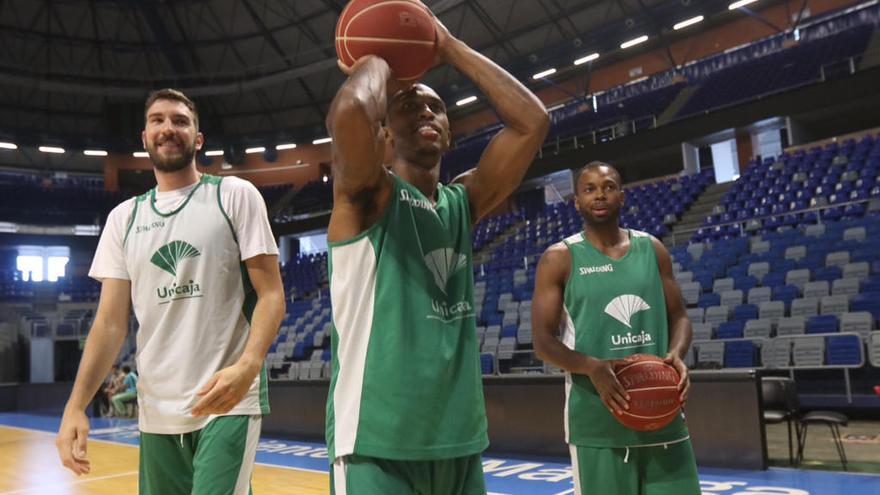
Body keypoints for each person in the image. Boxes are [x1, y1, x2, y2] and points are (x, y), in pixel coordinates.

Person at [324, 4, 549, 493]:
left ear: (448, 132)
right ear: (383, 133)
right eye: (408, 107)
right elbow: (348, 113)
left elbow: (533, 122)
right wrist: (381, 54)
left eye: (436, 108)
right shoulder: (366, 197)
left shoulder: (461, 202)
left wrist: (447, 46)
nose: (426, 111)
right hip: (376, 442)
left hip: (459, 440)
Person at [55, 88, 286, 495]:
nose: (168, 128)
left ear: (198, 139)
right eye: (158, 120)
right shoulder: (123, 219)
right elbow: (109, 325)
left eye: (180, 121)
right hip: (157, 408)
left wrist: (249, 365)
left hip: (228, 399)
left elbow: (271, 294)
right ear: (144, 138)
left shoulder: (234, 195)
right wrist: (76, 405)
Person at [531, 162, 700, 495]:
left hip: (662, 411)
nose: (600, 195)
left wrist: (676, 355)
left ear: (622, 196)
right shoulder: (559, 258)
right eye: (589, 188)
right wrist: (591, 366)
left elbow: (679, 316)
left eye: (608, 186)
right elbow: (542, 342)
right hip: (597, 422)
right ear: (576, 201)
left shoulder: (652, 249)